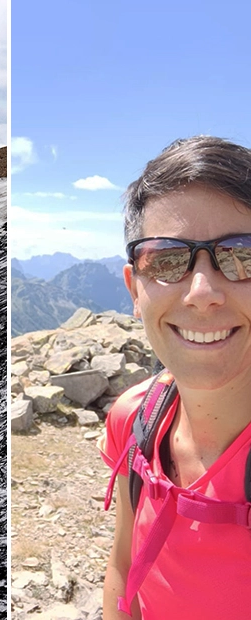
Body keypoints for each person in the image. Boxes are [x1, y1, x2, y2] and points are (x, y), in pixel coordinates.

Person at [99, 136, 251, 619]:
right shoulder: (136, 417)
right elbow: (124, 567)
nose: (201, 293)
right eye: (165, 259)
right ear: (134, 289)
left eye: (243, 255)